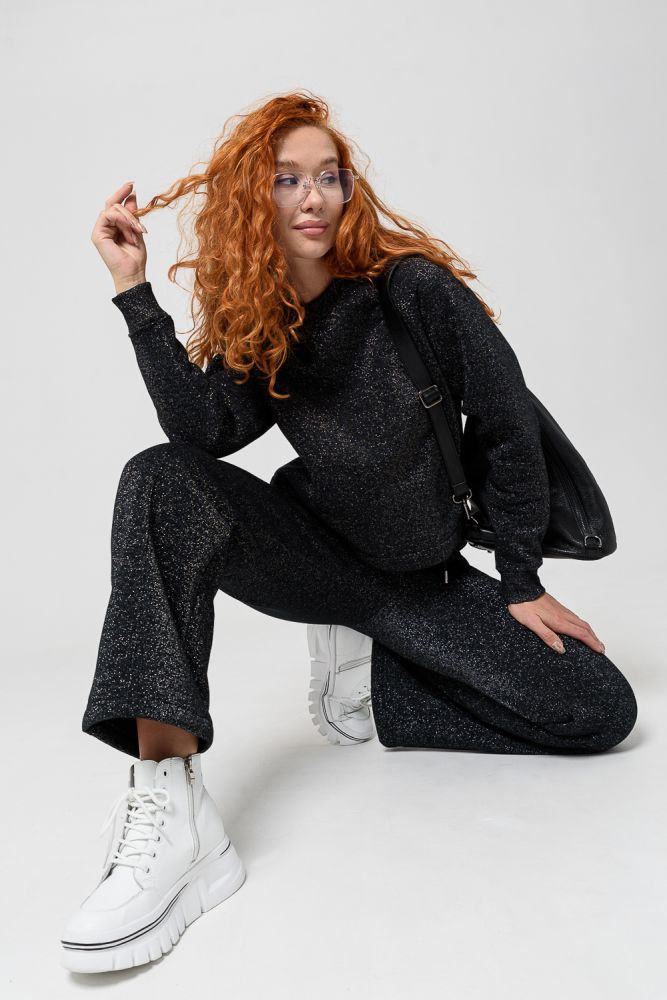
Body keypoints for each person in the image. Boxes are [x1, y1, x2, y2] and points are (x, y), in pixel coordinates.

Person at [60, 91, 637, 973]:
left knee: (599, 711)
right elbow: (203, 433)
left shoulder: (411, 291)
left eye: (328, 176)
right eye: (287, 180)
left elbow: (507, 426)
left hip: (417, 582)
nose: (313, 197)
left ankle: (378, 671)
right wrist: (134, 291)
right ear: (253, 201)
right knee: (161, 480)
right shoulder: (264, 318)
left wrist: (520, 581)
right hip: (315, 557)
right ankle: (172, 805)